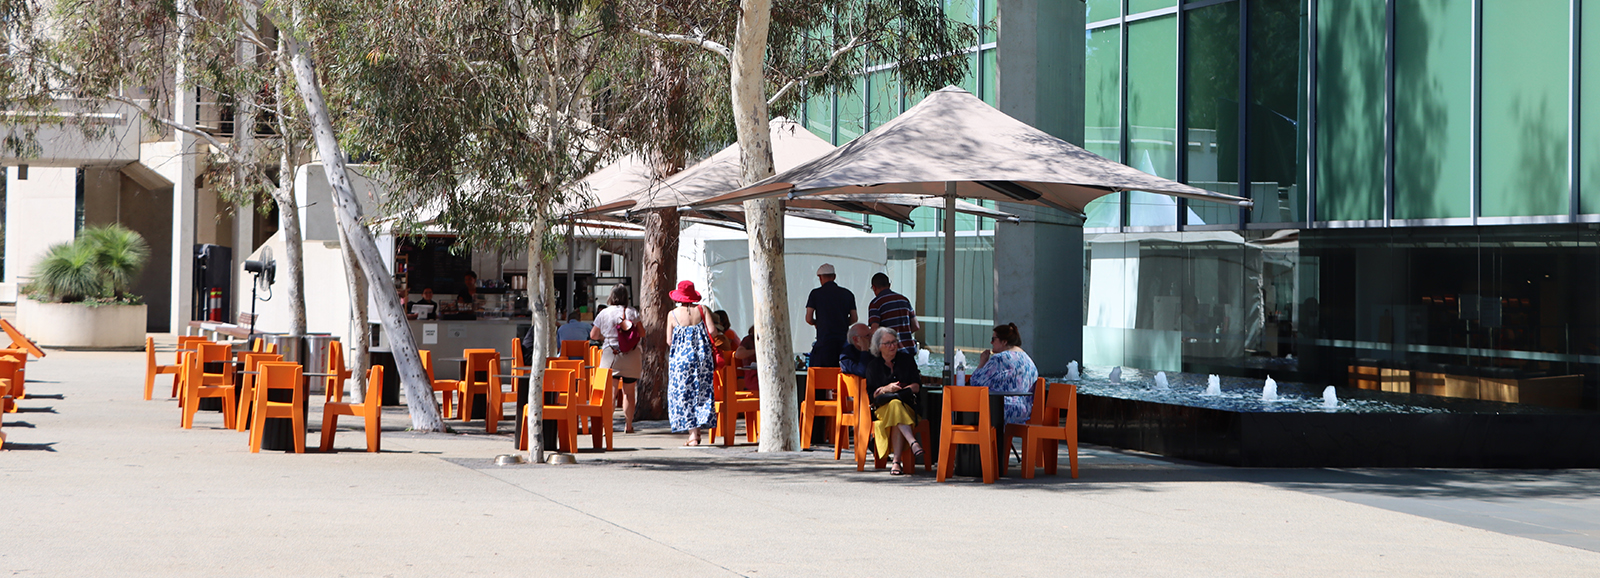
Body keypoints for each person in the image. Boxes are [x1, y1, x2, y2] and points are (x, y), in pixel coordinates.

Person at [865, 326, 923, 475]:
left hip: (906, 405)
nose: (892, 346)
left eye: (894, 342)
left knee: (896, 406)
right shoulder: (873, 366)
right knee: (893, 406)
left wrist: (900, 391)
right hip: (882, 409)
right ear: (878, 347)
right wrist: (886, 389)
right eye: (888, 343)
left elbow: (916, 386)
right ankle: (912, 443)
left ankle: (896, 462)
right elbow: (873, 396)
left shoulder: (906, 360)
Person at [665, 280, 716, 446]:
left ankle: (693, 435)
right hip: (702, 358)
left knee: (684, 394)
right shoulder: (702, 310)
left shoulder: (672, 314)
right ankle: (697, 432)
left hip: (680, 360)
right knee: (702, 391)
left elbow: (669, 340)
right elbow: (713, 331)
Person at [590, 286, 641, 433]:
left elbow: (593, 335)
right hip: (631, 356)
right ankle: (629, 425)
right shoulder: (632, 312)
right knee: (629, 393)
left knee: (611, 393)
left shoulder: (604, 313)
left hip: (610, 355)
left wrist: (605, 336)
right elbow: (642, 332)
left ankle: (607, 426)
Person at [972, 323, 1039, 425]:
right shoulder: (1028, 360)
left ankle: (971, 439)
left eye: (993, 339)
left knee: (966, 408)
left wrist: (982, 362)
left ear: (1004, 342)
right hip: (1024, 411)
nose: (991, 342)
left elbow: (975, 382)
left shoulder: (1000, 358)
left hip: (1003, 410)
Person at [804, 263, 857, 368]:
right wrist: (843, 322)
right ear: (834, 277)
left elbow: (808, 318)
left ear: (820, 278)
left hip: (824, 343)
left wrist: (816, 323)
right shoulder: (848, 294)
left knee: (823, 376)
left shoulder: (815, 294)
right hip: (843, 342)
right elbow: (854, 318)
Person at [867, 272, 919, 353]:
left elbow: (875, 330)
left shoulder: (876, 303)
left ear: (874, 287)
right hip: (909, 350)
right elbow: (916, 326)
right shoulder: (904, 300)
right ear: (889, 285)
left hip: (890, 353)